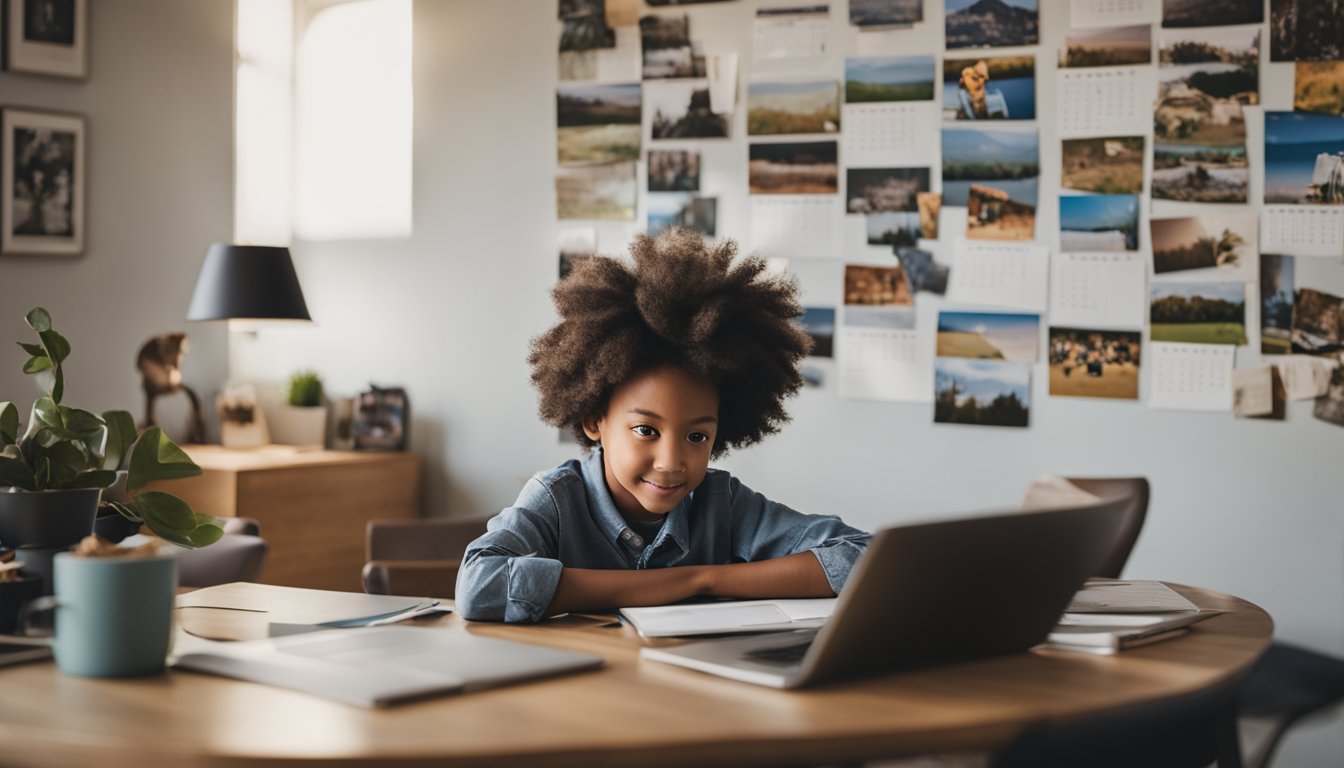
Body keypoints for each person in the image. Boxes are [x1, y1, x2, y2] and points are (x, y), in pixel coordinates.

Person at [456, 229, 870, 622]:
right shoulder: (556, 501)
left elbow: (862, 555)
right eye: (646, 431)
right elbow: (479, 585)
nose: (672, 462)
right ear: (594, 419)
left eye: (696, 436)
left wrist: (702, 579)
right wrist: (663, 585)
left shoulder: (722, 504)